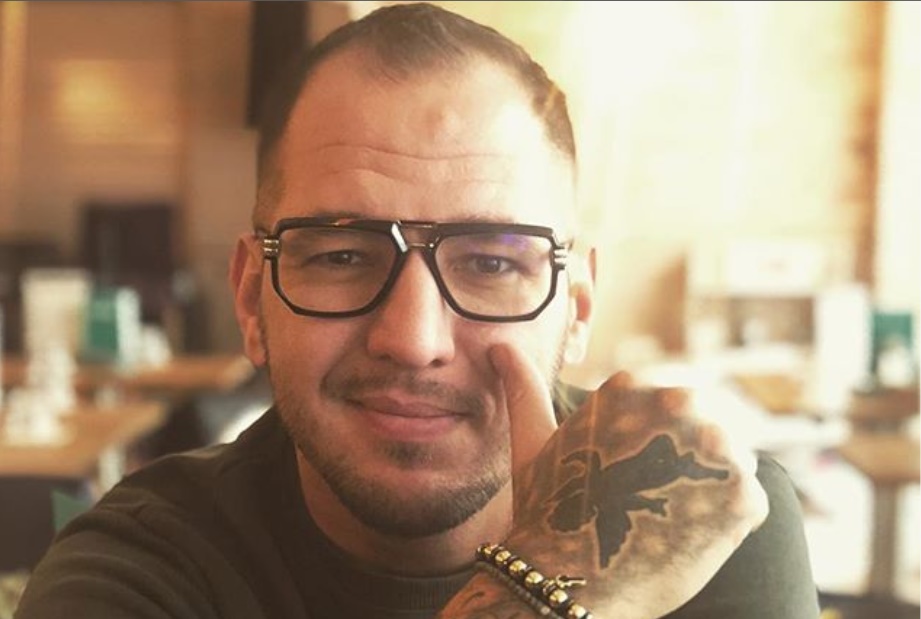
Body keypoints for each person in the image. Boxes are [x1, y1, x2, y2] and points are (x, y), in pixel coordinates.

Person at [15, 4, 819, 618]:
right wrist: (556, 579)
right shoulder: (139, 568)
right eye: (341, 255)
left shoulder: (700, 515)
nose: (412, 338)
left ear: (575, 308)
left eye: (492, 262)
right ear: (252, 298)